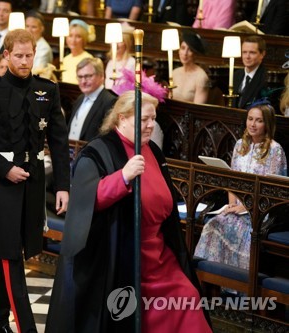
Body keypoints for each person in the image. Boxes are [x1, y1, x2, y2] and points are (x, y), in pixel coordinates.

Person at [46, 90, 212, 333]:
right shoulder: (97, 151)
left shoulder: (153, 151)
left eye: (153, 119)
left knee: (186, 297)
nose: (150, 125)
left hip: (158, 255)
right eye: (143, 119)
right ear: (122, 118)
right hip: (121, 255)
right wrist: (123, 177)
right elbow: (86, 202)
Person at [0, 29, 70, 333]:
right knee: (10, 253)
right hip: (2, 182)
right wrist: (4, 167)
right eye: (19, 56)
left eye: (29, 55)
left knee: (18, 250)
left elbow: (59, 142)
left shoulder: (47, 89)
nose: (25, 62)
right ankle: (27, 328)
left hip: (34, 180)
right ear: (6, 55)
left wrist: (63, 186)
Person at [194, 101, 287, 270]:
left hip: (258, 210)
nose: (252, 124)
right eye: (250, 119)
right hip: (236, 207)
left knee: (233, 229)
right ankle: (211, 278)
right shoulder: (240, 145)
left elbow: (273, 188)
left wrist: (245, 207)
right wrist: (232, 204)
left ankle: (238, 284)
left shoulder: (275, 150)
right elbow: (232, 179)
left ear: (267, 123)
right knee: (214, 224)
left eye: (258, 120)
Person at [68, 57, 117, 141]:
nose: (83, 81)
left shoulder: (110, 101)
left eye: (88, 76)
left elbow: (106, 137)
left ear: (101, 76)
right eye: (80, 77)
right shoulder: (80, 98)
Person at [172, 31, 209, 104]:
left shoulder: (201, 77)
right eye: (183, 48)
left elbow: (197, 108)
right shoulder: (174, 72)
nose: (185, 53)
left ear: (195, 54)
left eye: (190, 50)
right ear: (179, 50)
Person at [233, 36, 267, 109]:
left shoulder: (266, 78)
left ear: (262, 54)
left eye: (252, 52)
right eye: (244, 52)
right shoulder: (236, 75)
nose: (247, 56)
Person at [62, 19, 94, 84]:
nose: (73, 40)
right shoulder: (65, 59)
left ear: (84, 39)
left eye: (78, 36)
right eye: (70, 36)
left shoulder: (88, 59)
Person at [105, 23, 135, 91]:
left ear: (126, 43)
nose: (116, 44)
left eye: (120, 41)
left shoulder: (131, 62)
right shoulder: (111, 61)